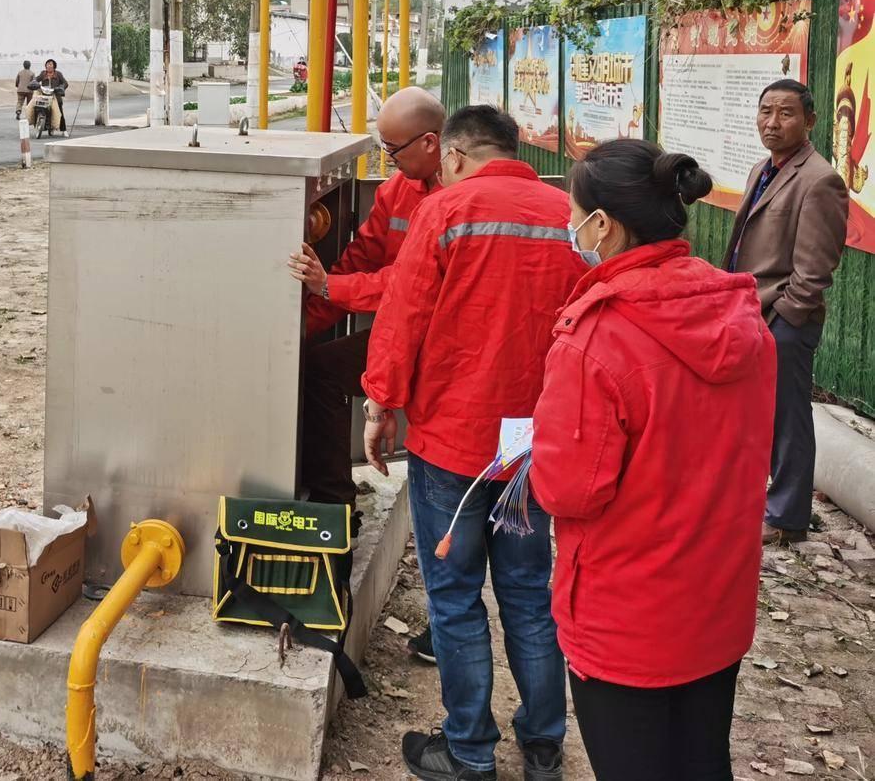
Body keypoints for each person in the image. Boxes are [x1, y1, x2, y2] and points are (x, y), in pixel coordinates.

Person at [530, 140, 776, 781]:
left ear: (602, 225)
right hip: (717, 601)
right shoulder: (742, 316)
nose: (570, 226)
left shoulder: (595, 340)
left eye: (573, 212)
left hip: (626, 616)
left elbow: (567, 491)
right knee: (701, 760)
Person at [363, 105, 584, 781]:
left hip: (452, 439)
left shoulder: (448, 210)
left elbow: (405, 314)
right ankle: (544, 749)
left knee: (456, 598)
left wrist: (382, 403)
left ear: (454, 154)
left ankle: (468, 753)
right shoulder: (567, 215)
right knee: (526, 590)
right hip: (526, 441)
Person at [286, 87, 445, 513]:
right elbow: (361, 259)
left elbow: (410, 284)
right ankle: (333, 504)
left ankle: (334, 502)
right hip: (400, 330)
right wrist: (299, 327)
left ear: (430, 142)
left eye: (393, 149)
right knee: (321, 368)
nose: (389, 159)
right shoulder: (399, 188)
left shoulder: (455, 201)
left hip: (442, 335)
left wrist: (327, 288)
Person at [724, 79, 848, 544]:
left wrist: (786, 319)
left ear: (810, 121)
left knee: (789, 420)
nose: (772, 123)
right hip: (751, 312)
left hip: (784, 322)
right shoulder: (765, 167)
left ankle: (788, 517)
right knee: (757, 415)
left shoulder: (820, 180)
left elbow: (815, 269)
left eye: (786, 113)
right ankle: (761, 499)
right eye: (766, 112)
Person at [40, 58, 70, 137]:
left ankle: (64, 130)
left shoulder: (58, 74)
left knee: (60, 113)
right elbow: (37, 79)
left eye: (51, 64)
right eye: (47, 64)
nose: (49, 66)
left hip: (56, 97)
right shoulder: (43, 74)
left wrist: (61, 87)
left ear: (54, 66)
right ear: (45, 66)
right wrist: (34, 82)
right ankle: (46, 126)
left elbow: (65, 83)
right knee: (41, 109)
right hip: (45, 96)